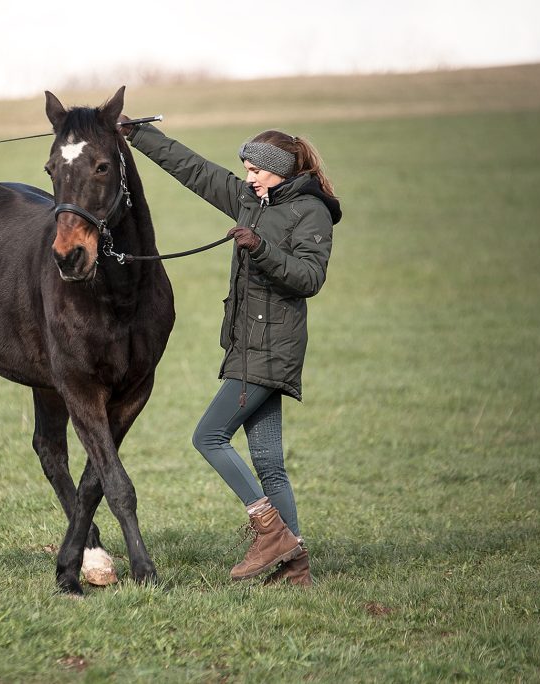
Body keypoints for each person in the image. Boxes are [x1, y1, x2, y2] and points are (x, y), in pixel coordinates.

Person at [119, 115, 342, 586]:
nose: (247, 177)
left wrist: (259, 248)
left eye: (255, 170)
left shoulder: (311, 212)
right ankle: (295, 566)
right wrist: (137, 134)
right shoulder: (250, 199)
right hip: (248, 344)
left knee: (208, 437)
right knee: (269, 464)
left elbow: (309, 279)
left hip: (271, 348)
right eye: (245, 169)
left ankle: (270, 534)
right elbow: (195, 170)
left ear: (280, 169)